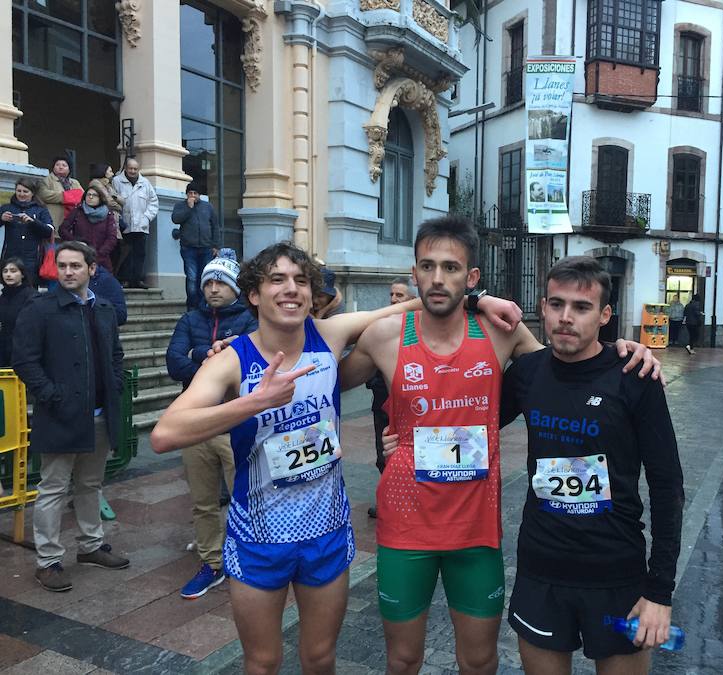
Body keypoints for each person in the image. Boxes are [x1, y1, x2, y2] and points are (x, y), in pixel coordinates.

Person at [150, 241, 522, 675]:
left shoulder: (329, 334)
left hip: (326, 533)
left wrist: (481, 298)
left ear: (312, 294)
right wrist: (253, 402)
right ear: (253, 294)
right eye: (277, 280)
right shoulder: (233, 360)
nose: (291, 290)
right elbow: (163, 435)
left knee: (320, 657)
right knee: (263, 662)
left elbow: (419, 304)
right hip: (258, 538)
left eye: (301, 281)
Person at [338, 216, 660, 675]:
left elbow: (570, 363)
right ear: (413, 273)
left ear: (471, 277)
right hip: (406, 525)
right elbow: (322, 375)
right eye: (426, 266)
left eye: (450, 268)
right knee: (403, 659)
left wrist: (625, 349)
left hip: (475, 530)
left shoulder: (500, 332)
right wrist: (252, 346)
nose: (436, 278)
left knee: (480, 661)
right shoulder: (385, 337)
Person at [498, 256, 683, 675]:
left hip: (616, 575)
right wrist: (399, 435)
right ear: (542, 308)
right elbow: (473, 422)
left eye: (581, 308)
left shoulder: (635, 377)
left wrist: (660, 592)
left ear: (604, 316)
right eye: (557, 304)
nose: (566, 318)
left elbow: (667, 487)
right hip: (541, 571)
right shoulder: (527, 373)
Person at [12, 241, 129, 593]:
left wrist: (116, 385)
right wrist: (51, 395)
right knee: (52, 487)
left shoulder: (104, 308)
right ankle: (48, 561)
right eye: (62, 265)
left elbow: (115, 354)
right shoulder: (41, 308)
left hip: (98, 413)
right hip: (60, 414)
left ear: (91, 269)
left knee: (90, 484)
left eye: (75, 266)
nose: (67, 272)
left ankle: (91, 545)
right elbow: (25, 361)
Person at [166, 249, 257, 599]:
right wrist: (211, 356)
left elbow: (247, 367)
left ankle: (246, 556)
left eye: (221, 282)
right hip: (196, 425)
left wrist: (198, 356)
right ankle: (212, 562)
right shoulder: (190, 320)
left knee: (244, 496)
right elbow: (174, 362)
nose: (214, 288)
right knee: (202, 501)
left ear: (236, 287)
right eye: (209, 282)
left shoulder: (251, 320)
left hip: (236, 425)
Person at [365, 276, 416, 518]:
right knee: (382, 453)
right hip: (382, 403)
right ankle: (387, 499)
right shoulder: (381, 326)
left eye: (400, 296)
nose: (394, 300)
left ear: (413, 301)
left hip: (410, 408)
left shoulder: (416, 329)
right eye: (392, 295)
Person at [171, 182, 220, 310]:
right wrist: (189, 208)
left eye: (195, 193)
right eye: (190, 193)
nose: (192, 195)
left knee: (204, 278)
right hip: (189, 248)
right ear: (186, 194)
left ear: (200, 195)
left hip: (206, 248)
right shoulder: (181, 206)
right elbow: (176, 219)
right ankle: (192, 307)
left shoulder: (208, 207)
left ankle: (203, 306)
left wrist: (216, 245)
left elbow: (215, 226)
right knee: (192, 278)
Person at [113, 157, 159, 289]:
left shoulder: (145, 183)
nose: (132, 171)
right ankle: (125, 279)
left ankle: (138, 280)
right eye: (130, 168)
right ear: (126, 168)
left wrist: (146, 218)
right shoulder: (117, 181)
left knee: (140, 253)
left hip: (141, 225)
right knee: (125, 253)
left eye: (135, 169)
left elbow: (153, 203)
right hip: (124, 224)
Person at [0, 178, 54, 285]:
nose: (21, 194)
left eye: (25, 191)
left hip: (33, 259)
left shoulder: (41, 210)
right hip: (10, 257)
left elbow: (49, 231)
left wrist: (32, 222)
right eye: (19, 191)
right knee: (9, 290)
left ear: (32, 193)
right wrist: (1, 219)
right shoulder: (6, 208)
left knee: (30, 291)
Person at [59, 187, 119, 272]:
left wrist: (101, 253)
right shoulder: (78, 210)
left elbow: (112, 237)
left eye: (94, 195)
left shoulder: (108, 214)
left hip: (101, 259)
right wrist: (76, 243)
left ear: (100, 198)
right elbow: (63, 229)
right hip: (79, 255)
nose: (90, 197)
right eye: (88, 195)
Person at [0, 257, 36, 365]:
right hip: (4, 349)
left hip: (24, 350)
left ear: (22, 274)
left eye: (13, 271)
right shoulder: (3, 297)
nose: (8, 274)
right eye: (5, 271)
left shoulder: (32, 296)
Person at [38, 155, 83, 228]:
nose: (60, 167)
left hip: (73, 219)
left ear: (69, 169)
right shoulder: (46, 180)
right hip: (54, 218)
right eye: (57, 165)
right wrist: (65, 197)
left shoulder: (75, 182)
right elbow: (43, 195)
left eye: (64, 165)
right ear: (53, 167)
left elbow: (82, 196)